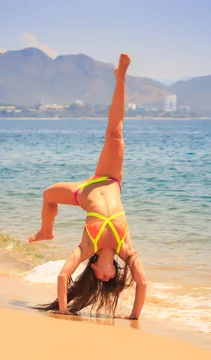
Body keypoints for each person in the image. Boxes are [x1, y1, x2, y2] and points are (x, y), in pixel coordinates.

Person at [29, 53, 147, 320]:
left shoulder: (86, 249)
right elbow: (142, 283)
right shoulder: (126, 251)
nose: (106, 278)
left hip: (84, 192)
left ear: (93, 269)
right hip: (110, 179)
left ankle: (46, 231)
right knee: (115, 132)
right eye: (110, 279)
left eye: (100, 280)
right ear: (115, 271)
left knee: (48, 195)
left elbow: (62, 276)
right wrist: (134, 317)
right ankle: (121, 77)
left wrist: (62, 310)